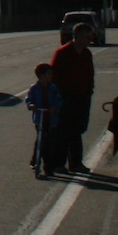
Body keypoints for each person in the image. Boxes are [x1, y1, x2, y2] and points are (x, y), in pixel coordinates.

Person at [47, 23, 96, 173]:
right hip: (64, 97)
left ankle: (76, 163)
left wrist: (89, 91)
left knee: (77, 130)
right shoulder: (63, 52)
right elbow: (53, 76)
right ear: (79, 36)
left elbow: (90, 74)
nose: (90, 40)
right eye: (87, 37)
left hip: (82, 97)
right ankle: (58, 163)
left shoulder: (87, 54)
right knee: (63, 131)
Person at [25, 63, 62, 178]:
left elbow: (59, 99)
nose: (51, 76)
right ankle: (35, 161)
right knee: (41, 141)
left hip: (51, 120)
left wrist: (55, 107)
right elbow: (29, 98)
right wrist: (31, 105)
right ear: (41, 76)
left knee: (50, 144)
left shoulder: (53, 88)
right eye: (49, 74)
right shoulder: (34, 88)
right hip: (40, 118)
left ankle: (48, 167)